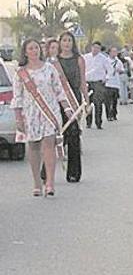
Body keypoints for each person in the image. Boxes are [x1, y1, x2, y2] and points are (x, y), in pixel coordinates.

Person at [11, 39, 73, 197]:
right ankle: (37, 181)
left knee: (49, 144)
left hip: (49, 112)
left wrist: (67, 108)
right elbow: (17, 96)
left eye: (37, 48)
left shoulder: (49, 69)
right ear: (25, 52)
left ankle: (50, 182)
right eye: (31, 48)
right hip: (30, 113)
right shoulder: (21, 73)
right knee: (33, 146)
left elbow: (59, 90)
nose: (34, 51)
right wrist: (18, 118)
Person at [56, 32, 86, 182]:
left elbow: (82, 81)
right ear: (59, 43)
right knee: (56, 135)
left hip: (73, 98)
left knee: (73, 134)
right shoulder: (54, 62)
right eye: (64, 40)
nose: (67, 43)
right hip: (57, 100)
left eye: (69, 40)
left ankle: (74, 172)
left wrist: (86, 101)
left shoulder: (79, 60)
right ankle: (46, 171)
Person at [83, 41, 112, 129]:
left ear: (100, 49)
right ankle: (88, 122)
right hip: (87, 82)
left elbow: (110, 70)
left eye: (98, 48)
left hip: (98, 82)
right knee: (87, 103)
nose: (95, 49)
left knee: (98, 103)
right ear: (91, 47)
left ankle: (98, 122)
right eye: (94, 47)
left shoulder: (103, 59)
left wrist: (106, 78)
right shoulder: (85, 57)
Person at [105, 47, 125, 121]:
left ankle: (114, 113)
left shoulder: (118, 61)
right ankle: (109, 115)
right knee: (108, 100)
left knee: (114, 100)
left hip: (116, 83)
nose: (114, 53)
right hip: (107, 83)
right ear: (109, 52)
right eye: (113, 51)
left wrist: (119, 70)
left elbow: (122, 70)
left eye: (115, 52)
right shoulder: (106, 61)